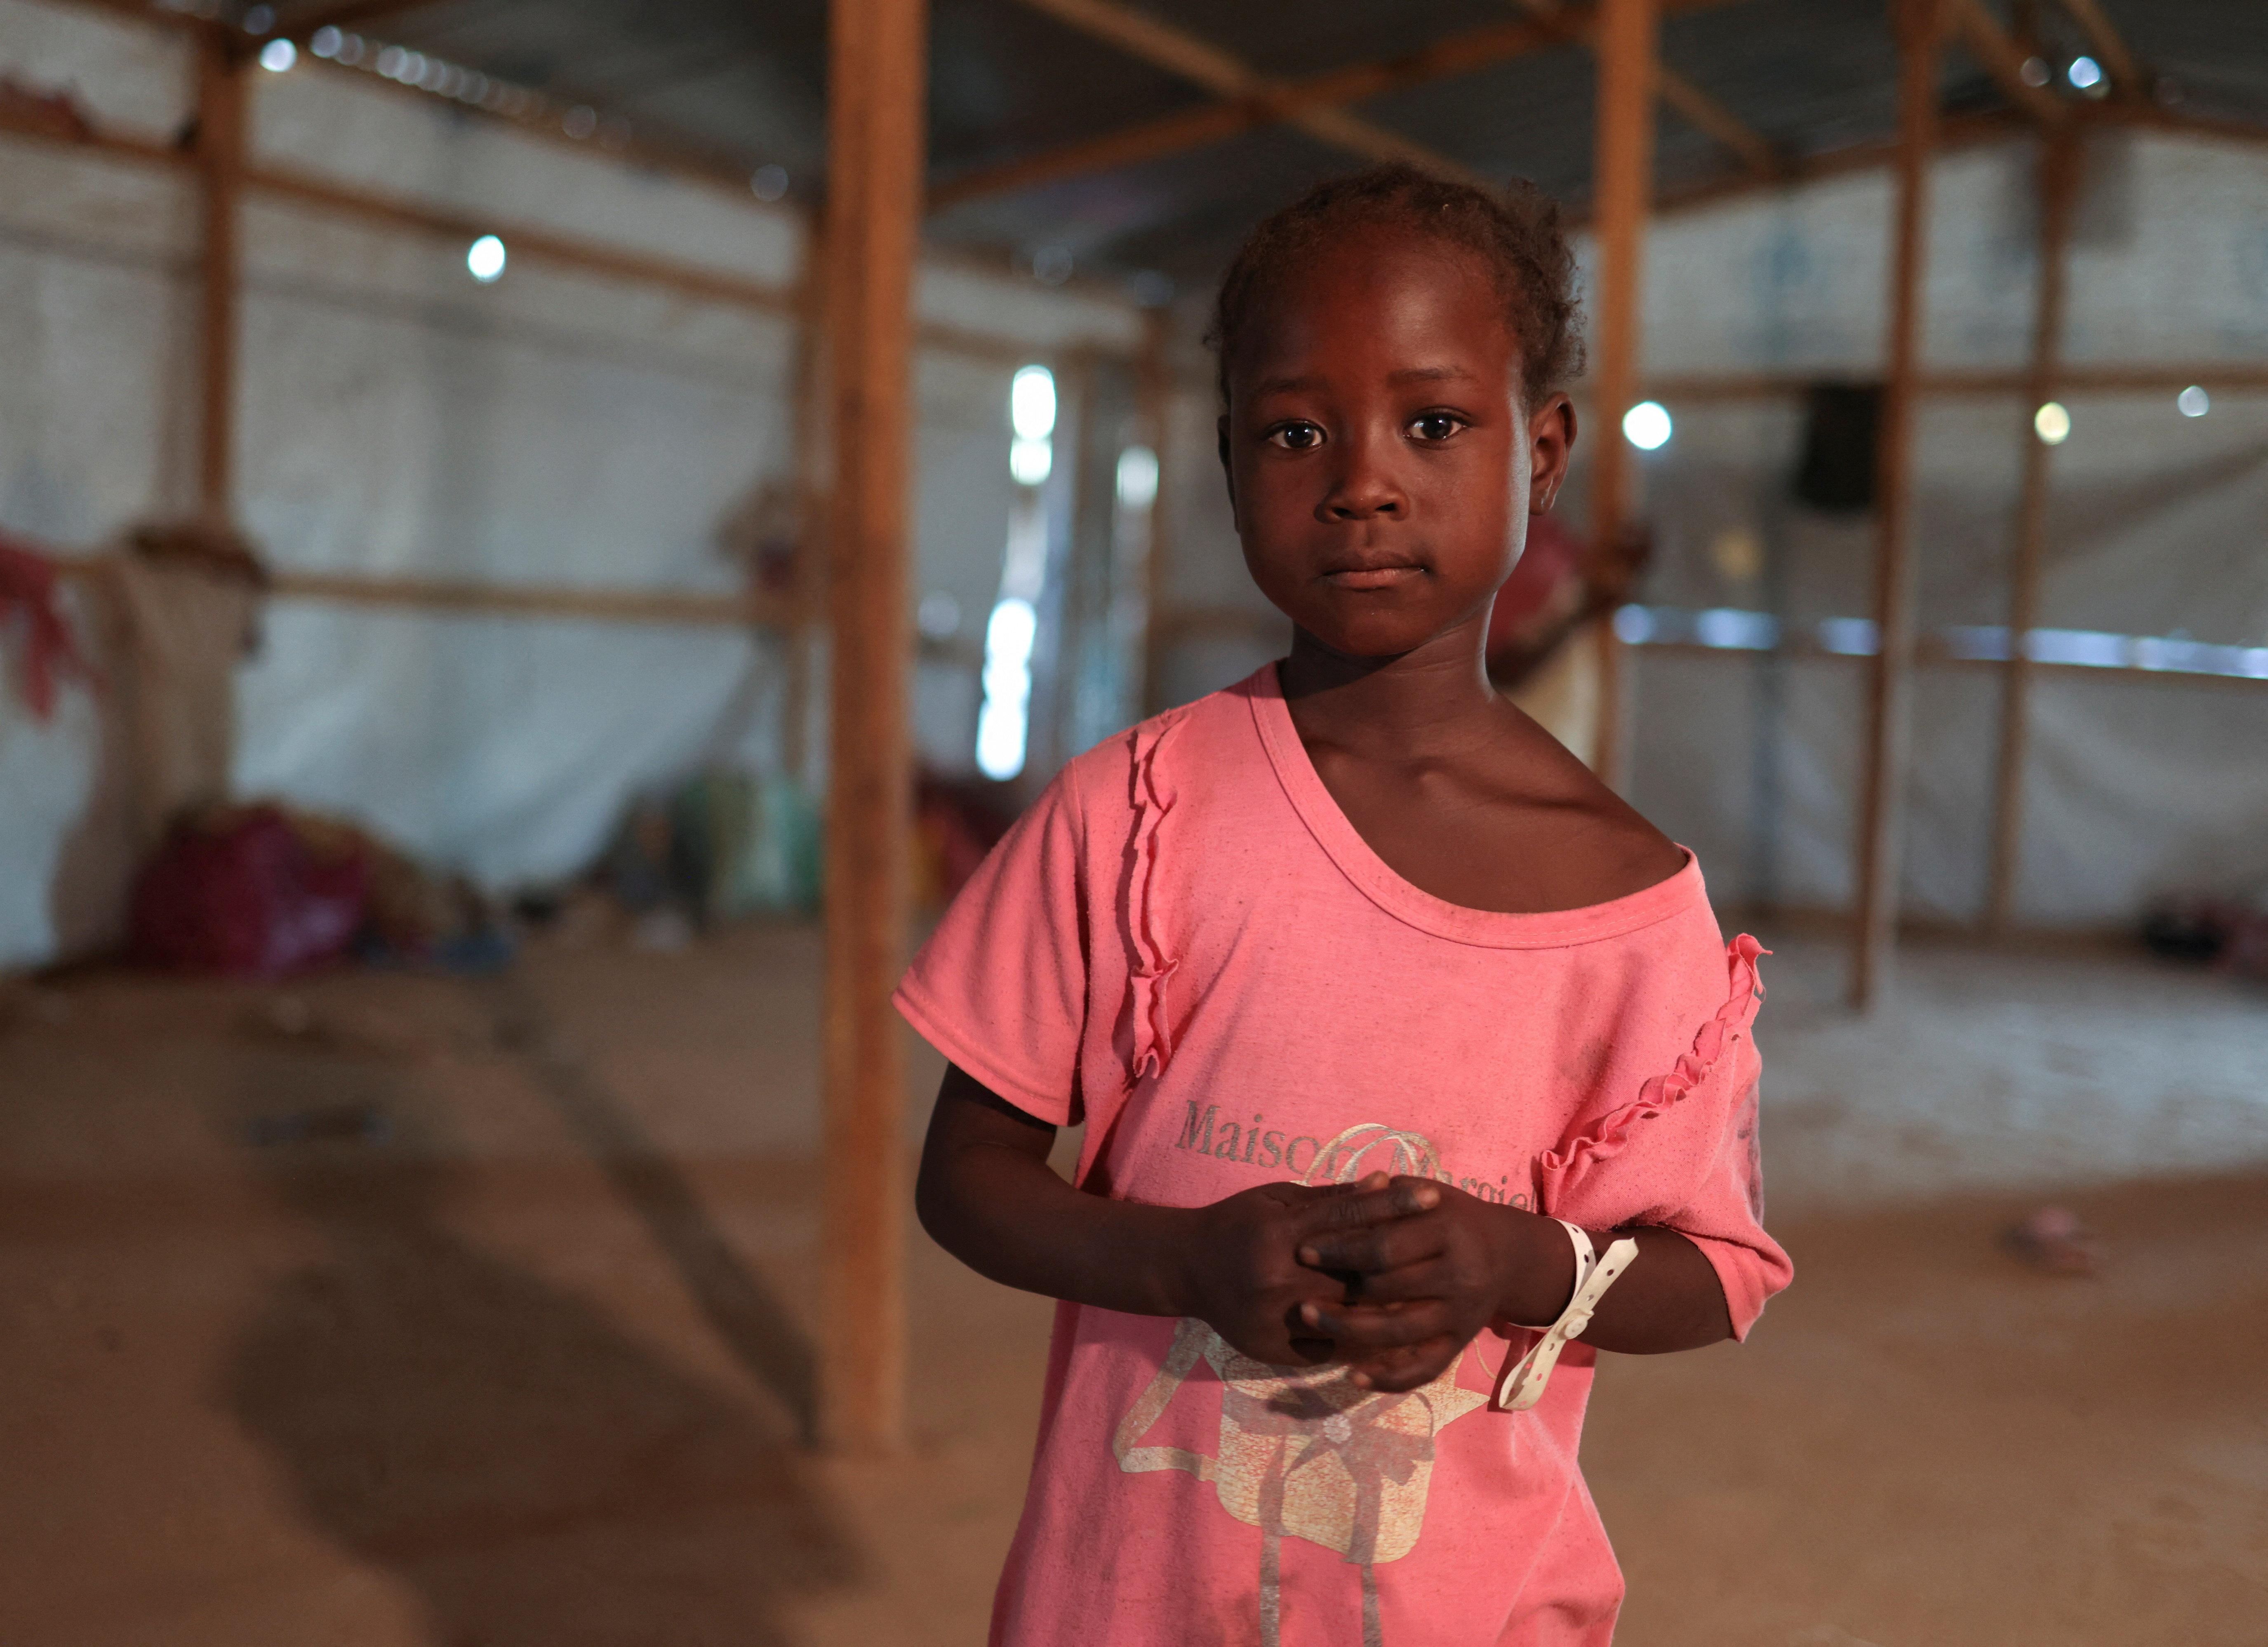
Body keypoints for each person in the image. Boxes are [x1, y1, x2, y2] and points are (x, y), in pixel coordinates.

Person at [901, 164, 1790, 1647]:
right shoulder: (1136, 814)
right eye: (1295, 432)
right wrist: (1178, 1258)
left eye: (1433, 424)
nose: (1361, 480)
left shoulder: (1632, 905)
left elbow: (1718, 1273)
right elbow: (967, 1176)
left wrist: (1515, 1263)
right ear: (1229, 461)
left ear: (1543, 451)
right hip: (1126, 1605)